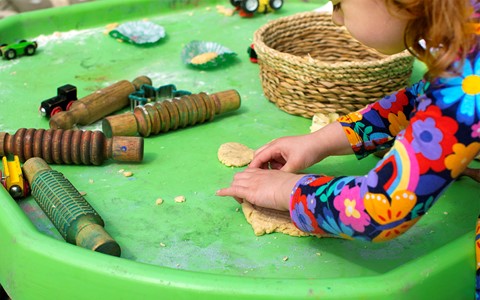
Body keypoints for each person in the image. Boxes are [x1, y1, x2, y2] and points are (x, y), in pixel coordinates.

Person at [217, 0, 479, 294]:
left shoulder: (471, 74)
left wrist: (286, 190)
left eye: (340, 3)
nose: (337, 19)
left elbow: (382, 209)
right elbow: (425, 98)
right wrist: (323, 140)